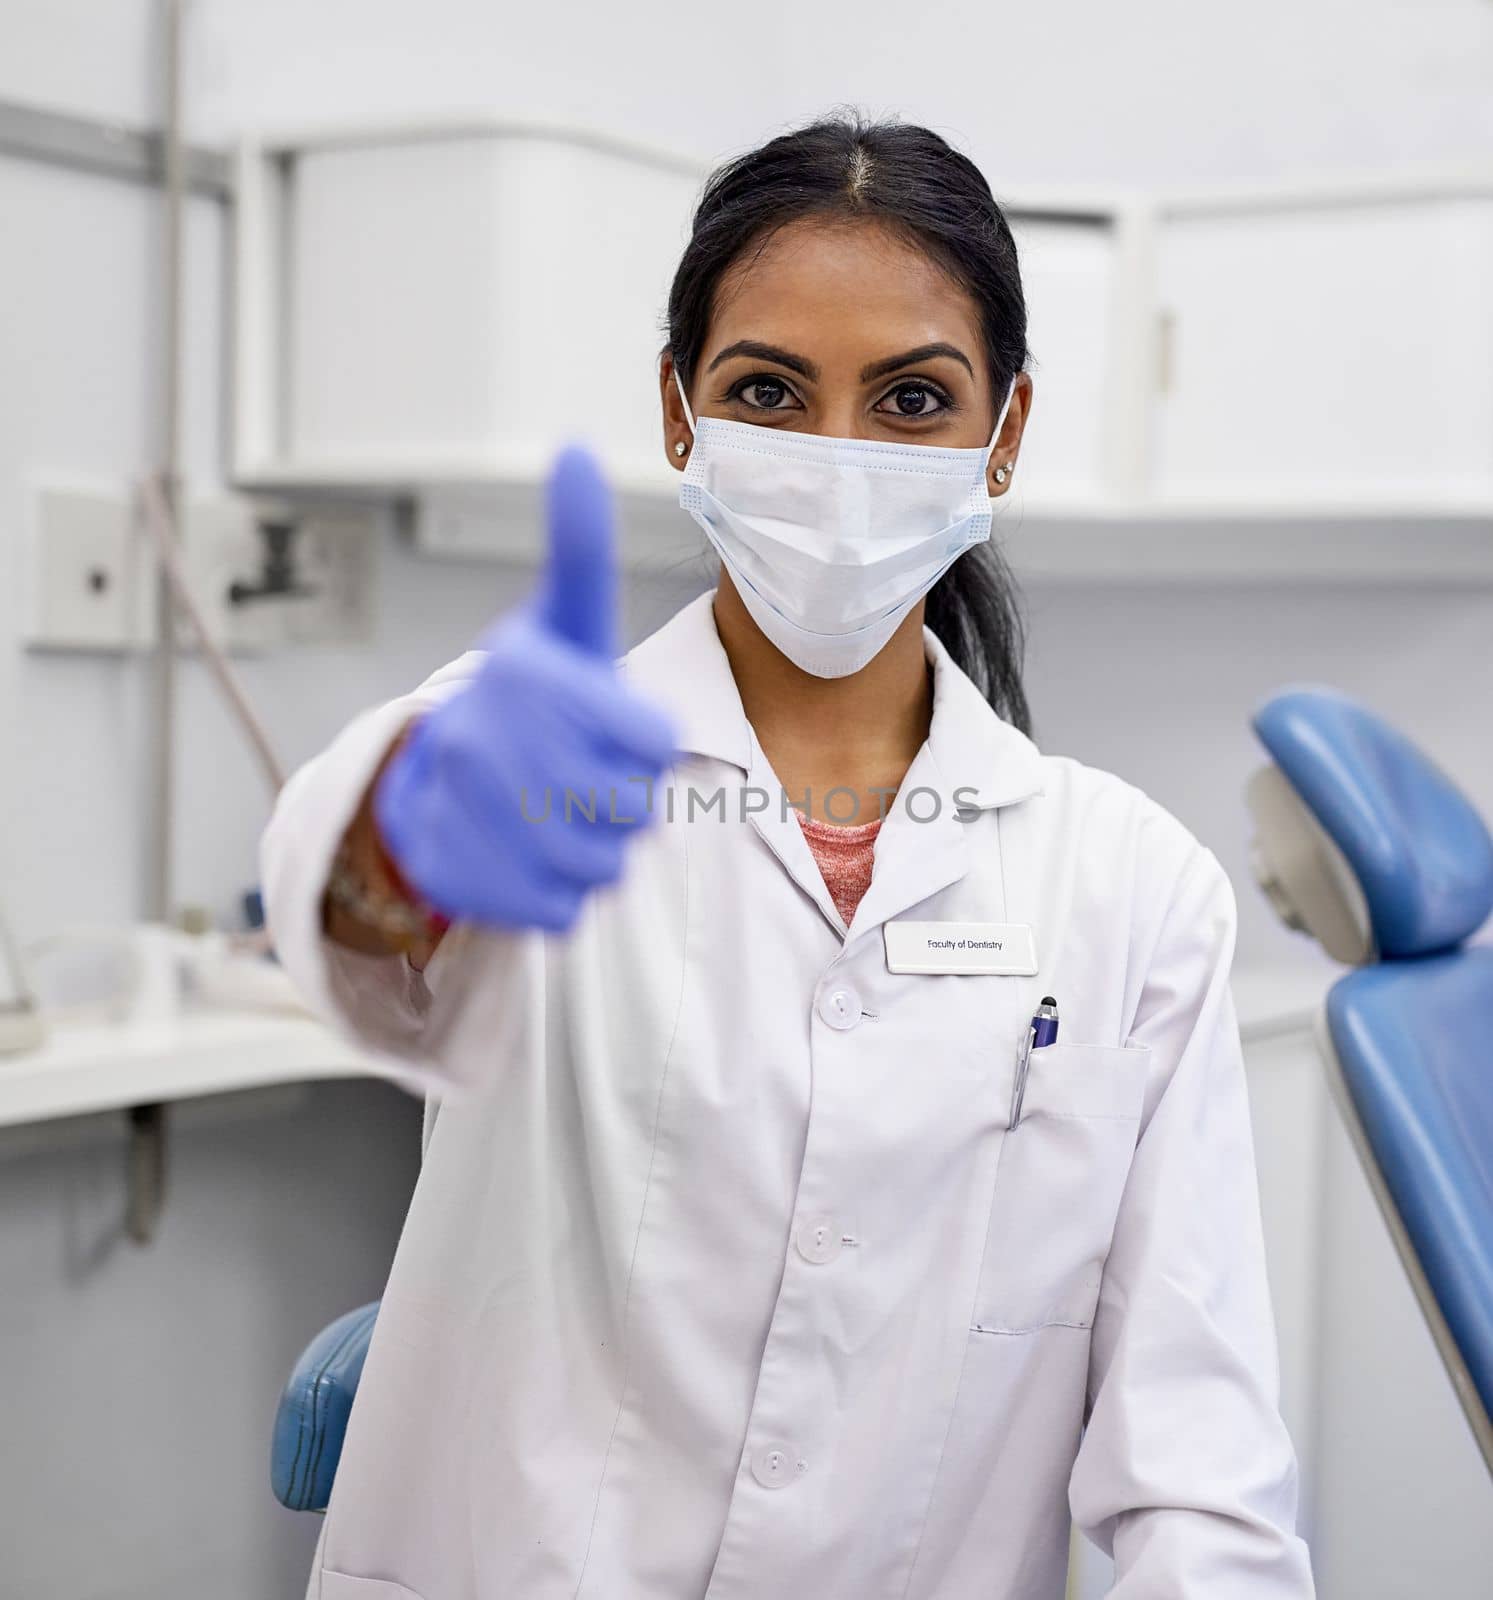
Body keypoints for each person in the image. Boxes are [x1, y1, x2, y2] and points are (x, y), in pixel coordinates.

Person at [262, 113, 1314, 1600]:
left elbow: (1197, 1472)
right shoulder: (532, 766)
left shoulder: (1128, 888)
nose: (836, 460)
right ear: (681, 415)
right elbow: (353, 909)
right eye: (769, 390)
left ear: (1001, 436)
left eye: (909, 400)